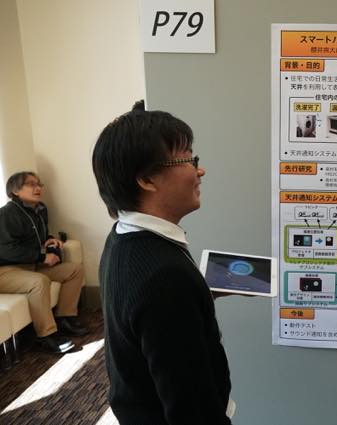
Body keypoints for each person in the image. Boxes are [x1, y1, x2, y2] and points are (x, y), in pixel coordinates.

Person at [92, 101, 233, 425]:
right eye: (189, 160)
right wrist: (184, 295)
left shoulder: (122, 236)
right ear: (147, 179)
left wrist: (197, 296)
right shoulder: (165, 278)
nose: (199, 171)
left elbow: (147, 319)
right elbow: (191, 411)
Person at [0, 172, 87, 354]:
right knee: (39, 282)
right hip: (6, 270)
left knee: (74, 270)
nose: (38, 188)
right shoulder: (6, 214)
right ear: (15, 191)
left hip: (30, 266)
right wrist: (41, 257)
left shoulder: (40, 209)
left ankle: (64, 318)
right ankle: (46, 336)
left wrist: (49, 240)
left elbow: (38, 236)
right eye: (31, 184)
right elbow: (6, 250)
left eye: (39, 184)